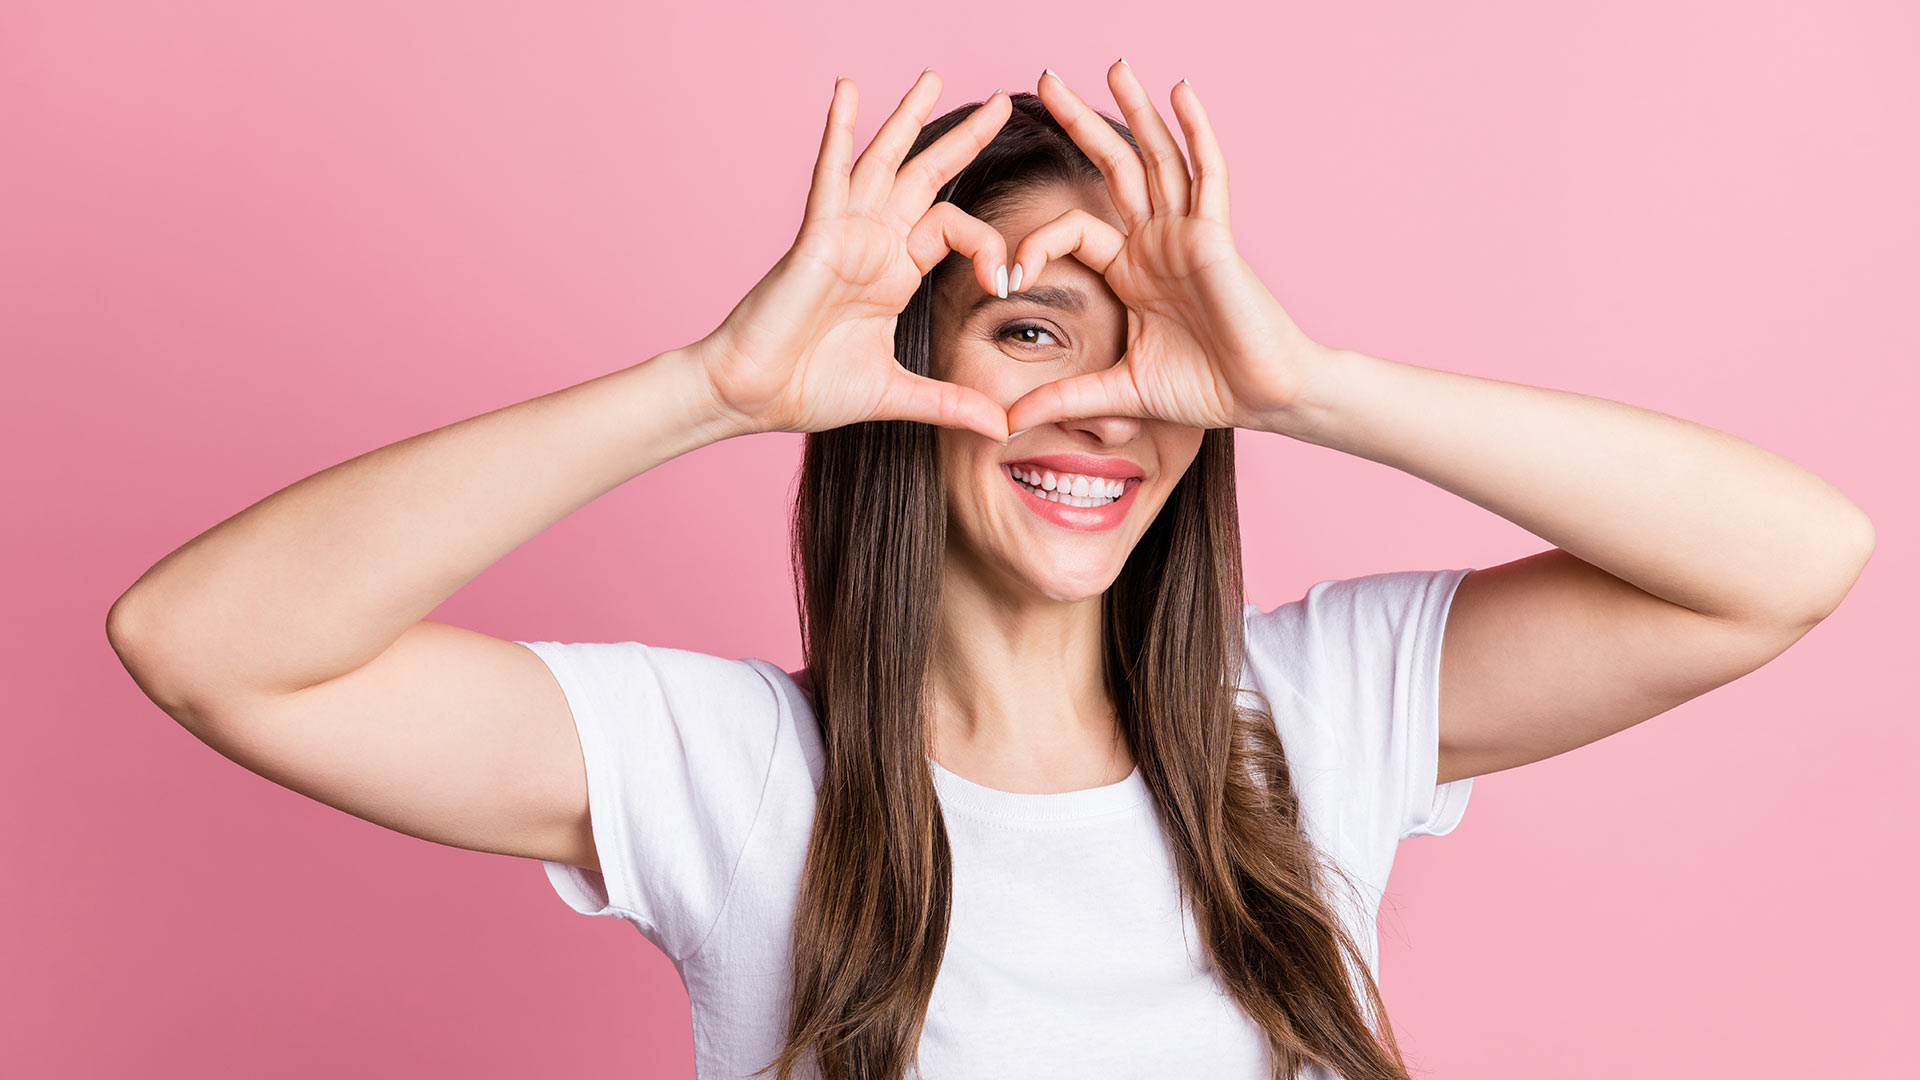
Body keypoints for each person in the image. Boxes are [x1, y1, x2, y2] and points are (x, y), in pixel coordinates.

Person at [105, 61, 1875, 1080]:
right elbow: (205, 645)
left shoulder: (1322, 714)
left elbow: (1788, 560)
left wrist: (1306, 382)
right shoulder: (720, 773)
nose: (1106, 407)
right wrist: (708, 391)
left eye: (1151, 347)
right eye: (1032, 331)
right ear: (899, 378)